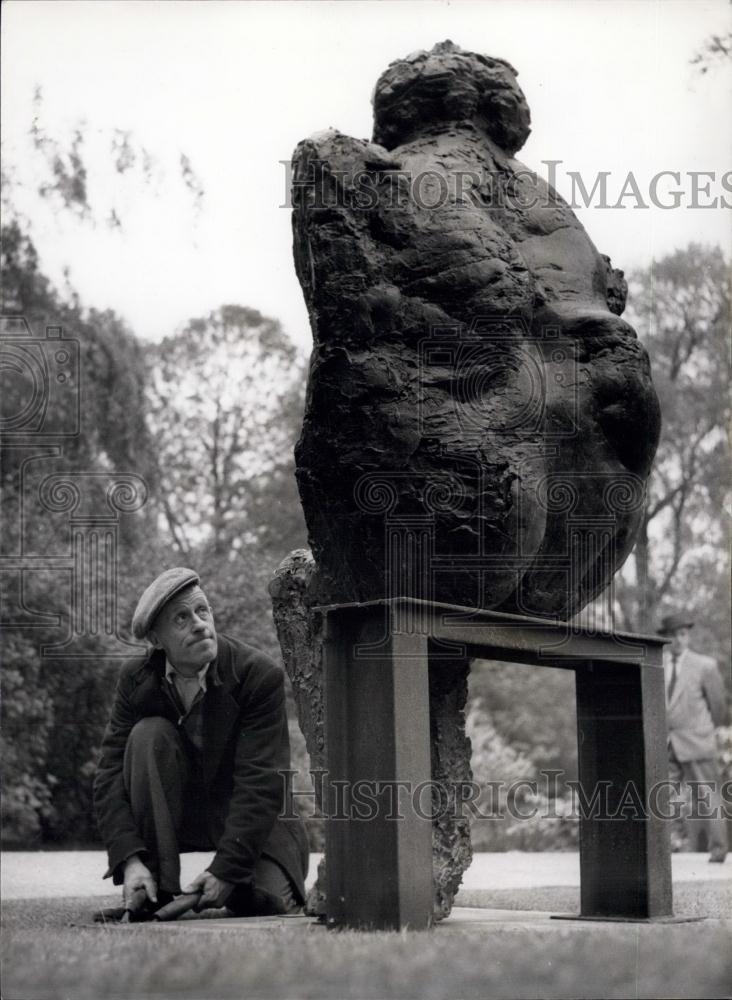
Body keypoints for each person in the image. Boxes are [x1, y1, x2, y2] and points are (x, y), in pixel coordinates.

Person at [93, 567, 309, 919]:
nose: (199, 624)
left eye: (202, 610)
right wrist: (129, 860)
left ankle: (237, 881)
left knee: (264, 904)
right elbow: (109, 775)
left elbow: (262, 782)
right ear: (157, 640)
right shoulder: (136, 679)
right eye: (181, 618)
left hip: (252, 818)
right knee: (148, 734)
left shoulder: (258, 674)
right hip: (182, 814)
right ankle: (155, 887)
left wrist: (226, 871)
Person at [659, 612, 728, 863]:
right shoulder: (657, 664)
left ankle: (719, 851)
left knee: (708, 795)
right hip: (666, 742)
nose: (678, 640)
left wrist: (705, 730)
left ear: (688, 636)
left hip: (697, 741)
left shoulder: (704, 666)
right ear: (666, 638)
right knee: (659, 795)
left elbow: (718, 707)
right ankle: (656, 854)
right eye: (673, 635)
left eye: (683, 634)